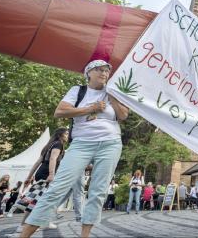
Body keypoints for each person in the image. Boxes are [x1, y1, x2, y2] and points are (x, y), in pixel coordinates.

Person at [21, 60, 128, 238]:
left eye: (106, 71)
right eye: (99, 70)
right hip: (82, 144)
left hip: (110, 144)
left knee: (98, 192)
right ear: (88, 73)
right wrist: (90, 108)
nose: (104, 73)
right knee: (57, 188)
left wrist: (113, 95)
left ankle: (84, 235)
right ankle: (24, 235)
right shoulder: (77, 91)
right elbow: (60, 112)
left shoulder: (113, 91)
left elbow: (123, 115)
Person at [11, 128, 69, 234]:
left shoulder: (49, 145)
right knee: (38, 200)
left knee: (38, 200)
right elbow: (53, 159)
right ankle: (23, 225)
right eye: (66, 133)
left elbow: (37, 163)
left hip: (40, 172)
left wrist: (29, 177)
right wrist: (52, 174)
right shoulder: (58, 145)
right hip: (47, 173)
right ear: (61, 135)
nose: (68, 135)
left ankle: (37, 222)